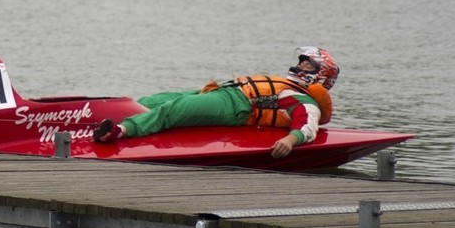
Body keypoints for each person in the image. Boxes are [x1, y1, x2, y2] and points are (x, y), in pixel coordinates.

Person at [93, 47, 340, 159]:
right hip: (224, 92)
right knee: (154, 100)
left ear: (320, 75)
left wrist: (289, 140)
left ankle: (120, 130)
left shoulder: (305, 101)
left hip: (236, 108)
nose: (300, 66)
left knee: (175, 110)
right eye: (302, 61)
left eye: (308, 64)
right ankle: (104, 121)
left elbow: (307, 127)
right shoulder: (291, 86)